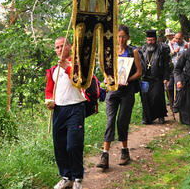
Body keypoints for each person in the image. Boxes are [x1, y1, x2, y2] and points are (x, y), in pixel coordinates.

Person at [96, 25, 142, 169]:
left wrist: (129, 80)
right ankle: (104, 155)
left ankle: (124, 151)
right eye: (118, 36)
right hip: (112, 90)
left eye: (123, 36)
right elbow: (106, 70)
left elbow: (139, 72)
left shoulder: (133, 51)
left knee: (122, 121)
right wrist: (106, 79)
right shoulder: (111, 51)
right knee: (110, 121)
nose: (121, 39)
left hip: (127, 92)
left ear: (127, 37)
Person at [45, 37, 87, 189]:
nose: (59, 50)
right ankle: (66, 176)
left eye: (63, 46)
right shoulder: (53, 70)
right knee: (59, 145)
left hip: (75, 108)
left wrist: (67, 67)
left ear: (69, 46)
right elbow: (50, 90)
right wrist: (49, 101)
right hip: (59, 110)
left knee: (73, 145)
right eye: (57, 47)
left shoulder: (78, 64)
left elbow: (82, 81)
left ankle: (77, 177)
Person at [139, 30, 171, 124]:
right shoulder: (143, 49)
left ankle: (161, 115)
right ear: (146, 40)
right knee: (145, 98)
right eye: (149, 40)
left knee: (157, 97)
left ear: (156, 40)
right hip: (145, 78)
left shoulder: (162, 48)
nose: (150, 42)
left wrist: (166, 77)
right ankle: (147, 118)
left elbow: (166, 65)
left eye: (152, 40)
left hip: (157, 78)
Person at [167, 32, 188, 109]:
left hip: (181, 69)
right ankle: (171, 103)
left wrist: (182, 58)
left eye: (179, 38)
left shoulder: (186, 45)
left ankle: (177, 104)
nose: (177, 40)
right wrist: (174, 52)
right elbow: (166, 55)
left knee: (178, 87)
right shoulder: (170, 44)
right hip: (171, 68)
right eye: (176, 38)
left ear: (182, 38)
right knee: (169, 87)